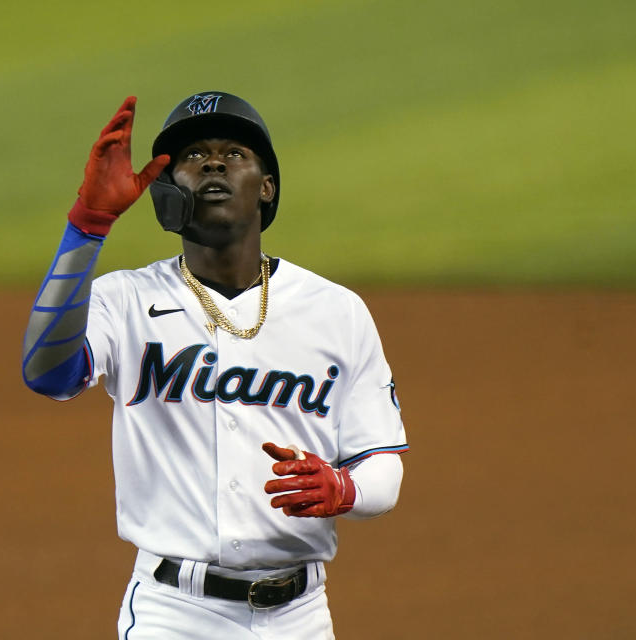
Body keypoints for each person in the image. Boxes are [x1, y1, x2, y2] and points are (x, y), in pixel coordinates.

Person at [22, 92, 408, 639]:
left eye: (235, 153)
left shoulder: (335, 311)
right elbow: (46, 372)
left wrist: (344, 489)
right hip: (174, 615)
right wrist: (87, 226)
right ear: (166, 191)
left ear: (267, 186)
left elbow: (383, 466)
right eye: (193, 155)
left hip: (300, 617)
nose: (213, 162)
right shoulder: (125, 300)